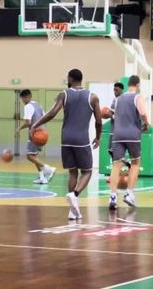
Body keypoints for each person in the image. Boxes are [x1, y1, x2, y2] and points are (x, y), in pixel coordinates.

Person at [30, 69, 102, 220]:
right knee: (87, 172)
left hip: (66, 139)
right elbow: (98, 121)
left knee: (73, 172)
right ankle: (74, 195)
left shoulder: (64, 94)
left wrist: (35, 124)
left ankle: (72, 211)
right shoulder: (93, 97)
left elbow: (51, 113)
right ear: (82, 79)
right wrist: (98, 137)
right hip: (82, 139)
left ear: (70, 78)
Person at [108, 75, 149, 209]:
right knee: (135, 163)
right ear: (137, 85)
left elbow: (110, 114)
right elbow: (142, 113)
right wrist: (146, 123)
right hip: (132, 134)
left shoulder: (118, 99)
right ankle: (129, 194)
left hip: (117, 135)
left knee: (116, 165)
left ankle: (113, 197)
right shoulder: (137, 97)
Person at [16, 89, 56, 184]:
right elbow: (45, 117)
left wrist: (18, 129)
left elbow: (28, 122)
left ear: (26, 97)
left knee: (29, 156)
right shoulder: (38, 105)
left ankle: (49, 169)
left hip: (36, 133)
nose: (22, 101)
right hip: (43, 132)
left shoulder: (28, 106)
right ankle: (42, 178)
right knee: (34, 156)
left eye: (22, 98)